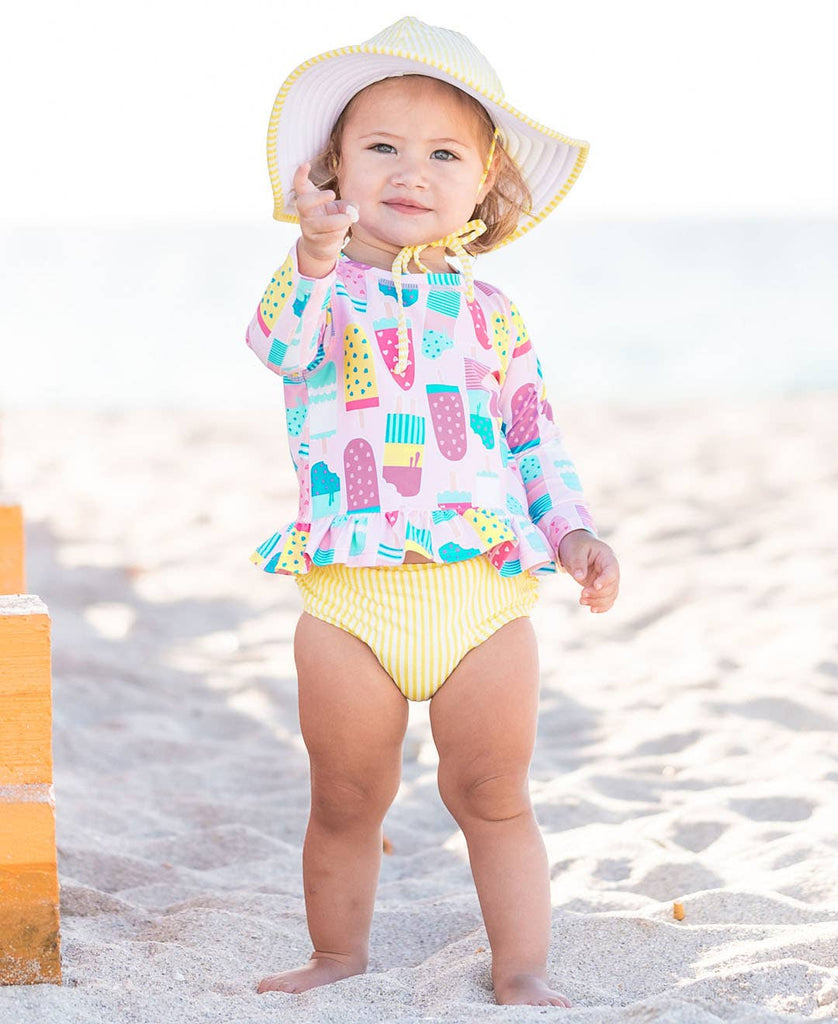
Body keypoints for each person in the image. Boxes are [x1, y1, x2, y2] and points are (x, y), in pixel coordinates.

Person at [245, 15, 620, 1008]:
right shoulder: (321, 291)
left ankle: (521, 969)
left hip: (481, 597)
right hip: (351, 600)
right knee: (346, 797)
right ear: (333, 169)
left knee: (493, 794)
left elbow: (533, 439)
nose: (412, 171)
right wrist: (313, 255)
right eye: (383, 147)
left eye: (444, 154)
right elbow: (277, 346)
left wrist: (573, 531)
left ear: (485, 181)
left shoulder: (493, 313)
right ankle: (337, 956)